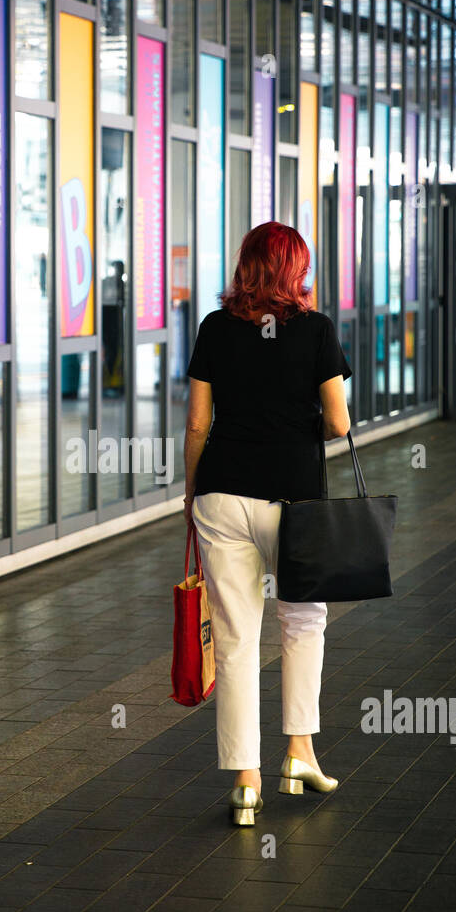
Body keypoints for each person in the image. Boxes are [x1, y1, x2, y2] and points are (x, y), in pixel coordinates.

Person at [184, 221, 352, 826]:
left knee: (235, 638)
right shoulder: (315, 330)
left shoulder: (213, 328)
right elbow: (338, 423)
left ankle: (246, 782)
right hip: (294, 501)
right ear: (295, 271)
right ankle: (299, 754)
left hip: (223, 495)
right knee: (303, 622)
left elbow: (198, 425)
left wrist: (189, 492)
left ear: (246, 265)